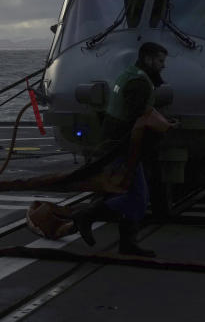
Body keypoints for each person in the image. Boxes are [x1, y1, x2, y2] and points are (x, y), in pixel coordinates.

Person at [73, 41, 174, 257]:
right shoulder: (139, 83)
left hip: (117, 144)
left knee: (132, 195)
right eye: (160, 61)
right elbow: (139, 117)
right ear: (148, 59)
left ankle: (127, 243)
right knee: (138, 198)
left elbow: (138, 111)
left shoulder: (130, 74)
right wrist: (165, 125)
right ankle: (88, 215)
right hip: (124, 147)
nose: (163, 66)